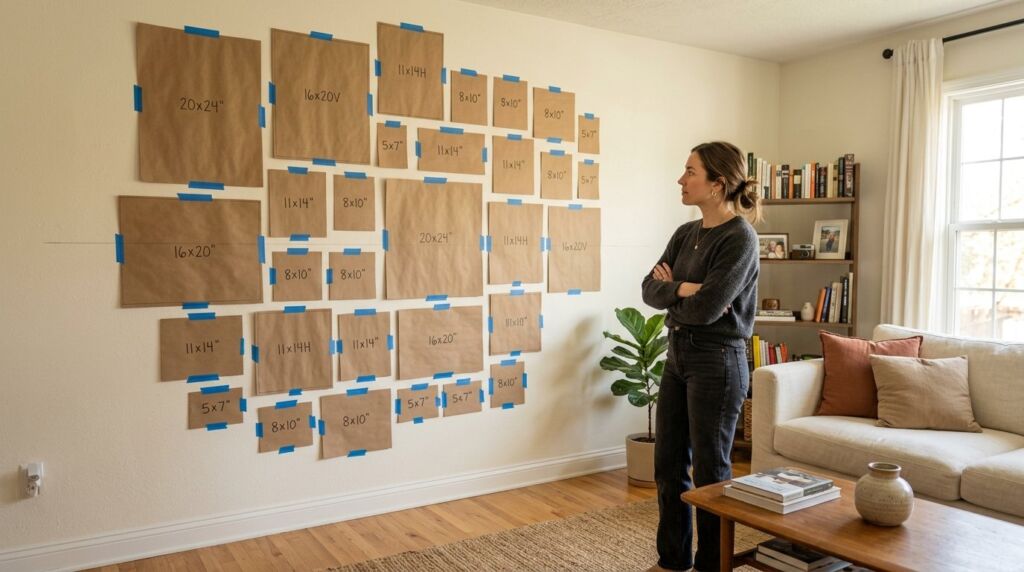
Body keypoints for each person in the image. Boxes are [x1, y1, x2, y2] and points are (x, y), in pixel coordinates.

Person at [641, 141, 762, 572]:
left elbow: (708, 310)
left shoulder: (740, 238)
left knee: (711, 472)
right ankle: (672, 561)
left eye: (690, 171)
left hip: (718, 361)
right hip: (677, 357)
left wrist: (678, 292)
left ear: (718, 184)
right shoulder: (685, 234)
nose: (681, 179)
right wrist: (685, 290)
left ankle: (713, 565)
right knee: (668, 464)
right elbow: (646, 289)